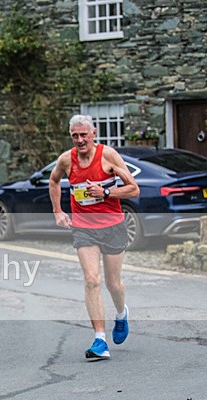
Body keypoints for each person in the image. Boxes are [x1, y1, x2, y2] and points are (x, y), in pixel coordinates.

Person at [49, 114, 139, 361]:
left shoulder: (108, 156)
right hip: (83, 227)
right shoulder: (66, 160)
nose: (79, 140)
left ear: (94, 134)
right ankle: (100, 339)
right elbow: (54, 180)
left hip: (112, 226)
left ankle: (121, 314)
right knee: (91, 280)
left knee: (113, 284)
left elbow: (133, 188)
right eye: (74, 136)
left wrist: (106, 191)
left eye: (83, 135)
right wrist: (58, 211)